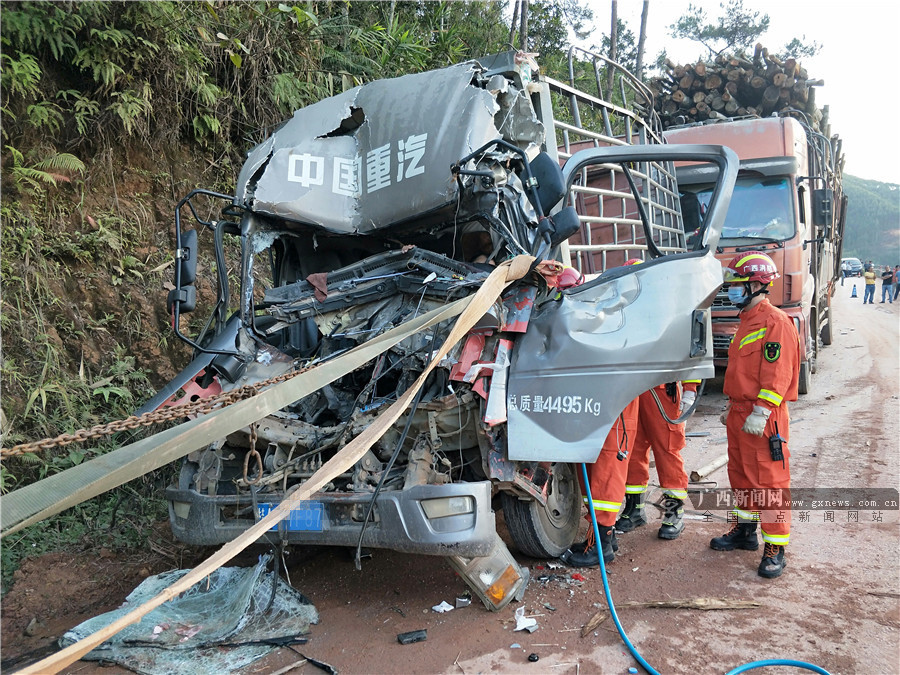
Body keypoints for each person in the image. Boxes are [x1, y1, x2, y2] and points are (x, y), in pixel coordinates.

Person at [712, 251, 799, 579]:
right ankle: (744, 531)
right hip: (740, 414)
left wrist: (760, 412)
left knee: (770, 483)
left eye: (737, 285)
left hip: (764, 419)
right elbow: (742, 372)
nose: (732, 290)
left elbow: (778, 374)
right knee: (742, 477)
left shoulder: (775, 322)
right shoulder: (746, 322)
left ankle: (775, 548)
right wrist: (730, 406)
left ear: (757, 285)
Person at [615, 380, 700, 539]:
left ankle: (674, 511)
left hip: (662, 390)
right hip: (632, 390)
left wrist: (690, 389)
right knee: (632, 449)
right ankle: (635, 510)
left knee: (667, 450)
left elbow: (688, 354)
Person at [561, 398, 640, 567]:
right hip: (594, 403)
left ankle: (602, 544)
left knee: (607, 471)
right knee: (591, 469)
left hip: (615, 404)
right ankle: (601, 537)